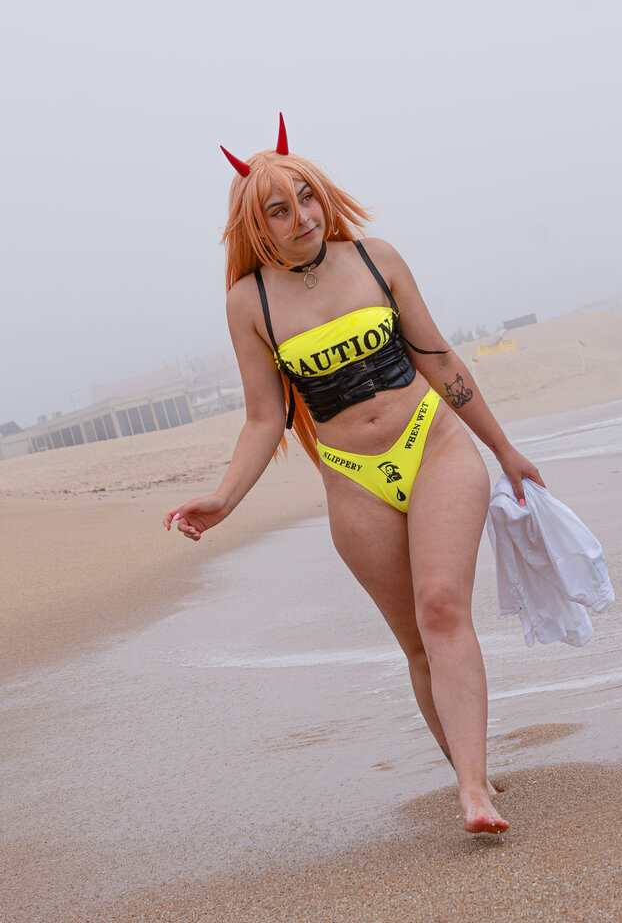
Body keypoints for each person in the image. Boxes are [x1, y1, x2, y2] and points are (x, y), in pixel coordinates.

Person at [164, 114, 544, 834]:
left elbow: (438, 359)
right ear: (256, 225)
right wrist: (224, 498)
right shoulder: (250, 304)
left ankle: (473, 792)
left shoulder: (376, 260)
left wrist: (503, 449)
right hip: (351, 478)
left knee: (442, 608)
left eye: (307, 197)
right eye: (280, 209)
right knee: (415, 642)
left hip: (434, 446)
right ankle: (470, 775)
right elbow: (264, 418)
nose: (302, 217)